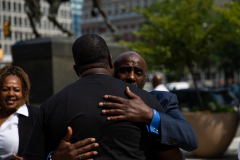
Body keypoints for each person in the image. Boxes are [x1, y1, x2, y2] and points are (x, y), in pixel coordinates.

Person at [22, 34, 184, 160]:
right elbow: (173, 157)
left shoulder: (51, 105)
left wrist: (54, 158)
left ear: (76, 69)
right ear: (111, 62)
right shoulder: (144, 103)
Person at [51, 52, 197, 159]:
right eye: (125, 70)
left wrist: (150, 116)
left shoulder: (163, 100)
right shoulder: (96, 103)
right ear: (113, 73)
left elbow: (190, 139)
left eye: (138, 72)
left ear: (145, 78)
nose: (131, 77)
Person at [0, 66, 39, 160]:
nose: (11, 94)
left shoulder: (36, 116)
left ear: (24, 92)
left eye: (16, 90)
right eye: (5, 89)